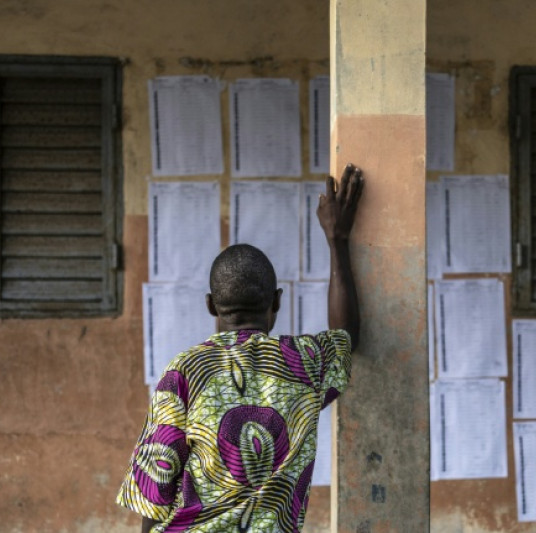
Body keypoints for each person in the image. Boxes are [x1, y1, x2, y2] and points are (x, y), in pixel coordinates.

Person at [116, 163, 365, 532]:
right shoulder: (306, 365)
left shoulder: (184, 373)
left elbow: (155, 491)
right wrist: (338, 239)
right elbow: (347, 333)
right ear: (276, 303)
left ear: (211, 305)